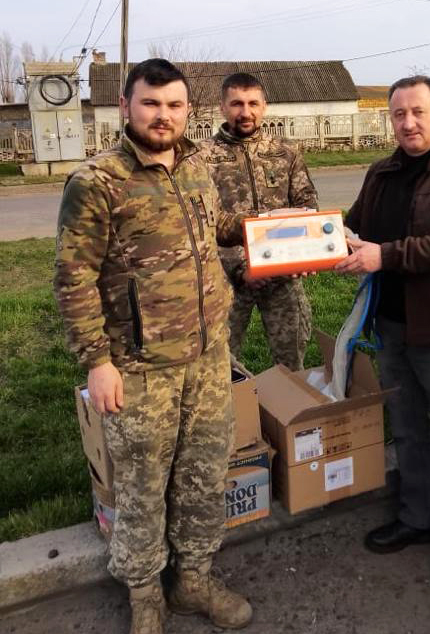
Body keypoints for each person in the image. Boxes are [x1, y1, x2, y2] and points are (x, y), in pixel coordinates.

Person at [53, 59, 252, 634]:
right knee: (142, 488)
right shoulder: (97, 182)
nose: (163, 116)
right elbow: (73, 279)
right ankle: (145, 596)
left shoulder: (196, 166)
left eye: (174, 105)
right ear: (126, 106)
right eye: (151, 103)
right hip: (139, 369)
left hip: (208, 358)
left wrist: (270, 228)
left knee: (203, 476)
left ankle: (193, 581)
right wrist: (97, 362)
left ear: (188, 110)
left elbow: (214, 226)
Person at [335, 75, 430, 593]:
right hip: (392, 326)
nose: (408, 123)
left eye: (418, 112)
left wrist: (385, 256)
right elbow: (355, 226)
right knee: (407, 429)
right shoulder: (381, 173)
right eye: (399, 114)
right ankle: (416, 518)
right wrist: (323, 239)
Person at [198, 72, 316, 370]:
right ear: (222, 107)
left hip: (281, 276)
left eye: (253, 103)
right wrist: (242, 269)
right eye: (236, 103)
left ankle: (289, 400)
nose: (245, 112)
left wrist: (302, 255)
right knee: (218, 362)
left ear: (264, 106)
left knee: (292, 359)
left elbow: (306, 206)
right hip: (225, 279)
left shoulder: (285, 152)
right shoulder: (201, 158)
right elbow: (203, 222)